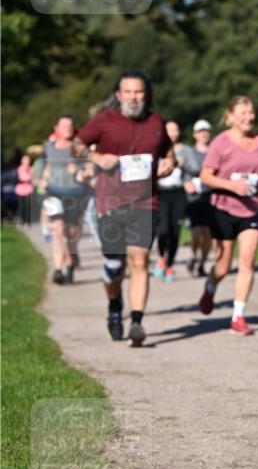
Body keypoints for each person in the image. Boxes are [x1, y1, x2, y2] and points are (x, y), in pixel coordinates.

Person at [73, 71, 174, 345]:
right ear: (118, 95)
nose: (133, 97)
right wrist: (95, 156)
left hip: (146, 202)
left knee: (139, 261)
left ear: (146, 94)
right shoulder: (104, 121)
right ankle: (115, 305)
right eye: (128, 92)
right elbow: (76, 144)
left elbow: (167, 149)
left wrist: (170, 162)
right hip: (111, 202)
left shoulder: (155, 122)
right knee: (114, 266)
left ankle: (138, 322)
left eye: (139, 92)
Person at [197, 97, 258, 334]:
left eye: (251, 113)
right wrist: (233, 187)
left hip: (251, 209)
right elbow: (206, 176)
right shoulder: (220, 143)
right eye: (242, 113)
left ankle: (238, 317)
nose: (248, 117)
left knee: (247, 261)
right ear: (231, 116)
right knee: (222, 267)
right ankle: (210, 286)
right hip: (223, 209)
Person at [43, 115, 88, 284]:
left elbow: (88, 170)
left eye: (70, 125)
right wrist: (41, 178)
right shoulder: (48, 146)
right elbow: (43, 165)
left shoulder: (78, 148)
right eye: (64, 126)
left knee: (70, 233)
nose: (68, 129)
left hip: (74, 192)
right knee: (57, 230)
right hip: (53, 192)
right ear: (56, 128)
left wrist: (78, 171)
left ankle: (70, 264)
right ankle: (57, 269)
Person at [153, 120, 187, 281]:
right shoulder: (156, 149)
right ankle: (161, 257)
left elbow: (198, 169)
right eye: (169, 130)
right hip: (161, 193)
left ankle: (170, 266)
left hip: (179, 193)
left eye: (175, 130)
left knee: (175, 232)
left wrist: (184, 166)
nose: (172, 133)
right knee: (164, 229)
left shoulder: (185, 150)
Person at [180, 120, 214, 277]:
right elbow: (178, 171)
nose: (203, 134)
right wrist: (185, 182)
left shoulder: (214, 152)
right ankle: (194, 255)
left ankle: (202, 263)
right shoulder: (187, 152)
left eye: (206, 131)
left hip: (210, 196)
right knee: (197, 231)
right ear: (195, 135)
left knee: (207, 233)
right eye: (200, 131)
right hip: (193, 197)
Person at [15, 154, 34, 227]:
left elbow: (32, 179)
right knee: (21, 206)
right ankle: (22, 220)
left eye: (27, 159)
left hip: (28, 189)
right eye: (25, 159)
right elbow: (17, 179)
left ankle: (27, 221)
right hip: (20, 189)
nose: (26, 161)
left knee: (28, 206)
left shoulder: (31, 169)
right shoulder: (19, 169)